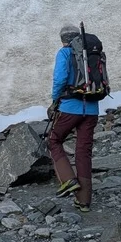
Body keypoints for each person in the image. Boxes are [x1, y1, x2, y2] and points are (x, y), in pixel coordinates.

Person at [48, 25, 101, 213]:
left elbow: (60, 79)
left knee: (54, 140)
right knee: (83, 151)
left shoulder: (64, 53)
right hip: (92, 108)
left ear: (63, 39)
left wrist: (55, 99)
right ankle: (84, 201)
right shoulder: (92, 52)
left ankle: (68, 179)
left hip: (70, 107)